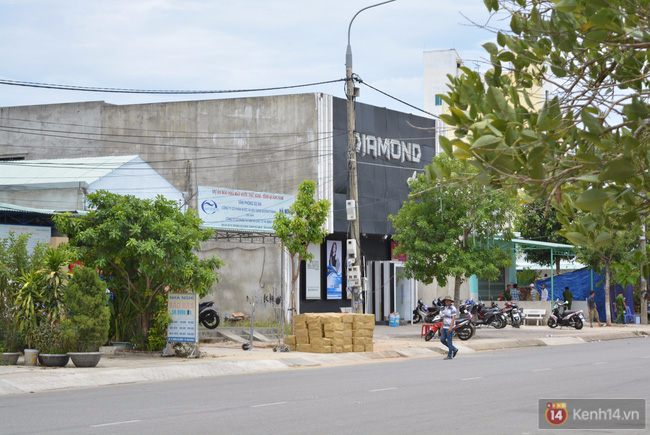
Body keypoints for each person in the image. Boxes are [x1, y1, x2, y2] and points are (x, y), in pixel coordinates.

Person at [440, 295, 458, 360]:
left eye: (448, 301)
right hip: (445, 326)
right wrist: (441, 326)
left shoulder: (453, 308)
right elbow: (444, 317)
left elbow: (453, 318)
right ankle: (454, 349)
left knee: (449, 341)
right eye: (446, 301)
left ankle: (450, 355)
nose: (447, 302)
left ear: (450, 301)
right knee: (442, 339)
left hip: (449, 327)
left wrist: (451, 327)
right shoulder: (445, 308)